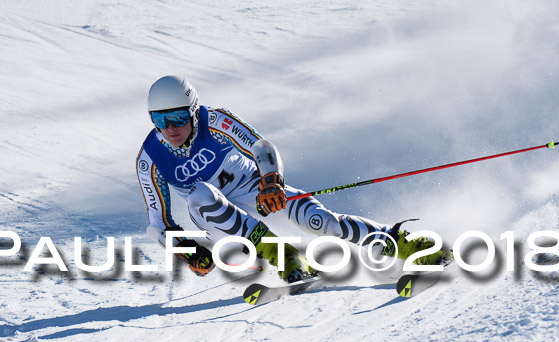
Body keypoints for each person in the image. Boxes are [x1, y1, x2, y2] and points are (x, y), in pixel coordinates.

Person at [136, 75, 447, 282]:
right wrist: (189, 250)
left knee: (323, 223)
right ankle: (280, 254)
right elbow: (158, 225)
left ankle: (405, 245)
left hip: (257, 195)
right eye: (160, 120)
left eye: (177, 117)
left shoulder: (214, 120)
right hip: (219, 223)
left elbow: (260, 146)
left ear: (192, 111)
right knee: (200, 194)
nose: (170, 128)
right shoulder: (150, 159)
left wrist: (271, 180)